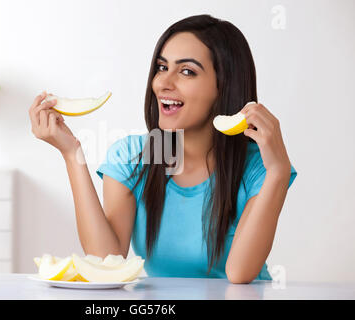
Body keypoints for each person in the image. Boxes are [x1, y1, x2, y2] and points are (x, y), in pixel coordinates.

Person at [28, 14, 297, 284]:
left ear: (224, 85)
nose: (163, 83)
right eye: (161, 67)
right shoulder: (134, 156)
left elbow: (239, 274)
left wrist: (278, 171)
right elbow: (106, 259)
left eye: (187, 71)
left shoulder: (258, 166)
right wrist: (71, 154)